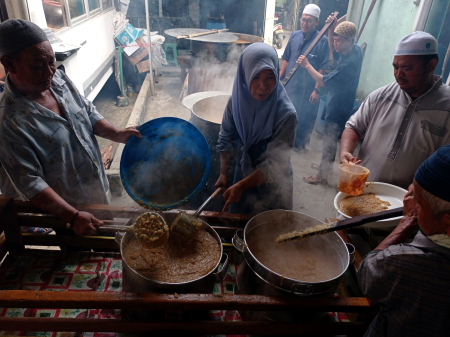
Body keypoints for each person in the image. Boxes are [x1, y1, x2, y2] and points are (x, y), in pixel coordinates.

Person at [0, 19, 141, 236]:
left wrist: (117, 134)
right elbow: (30, 182)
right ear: (10, 64)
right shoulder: (9, 122)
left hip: (97, 192)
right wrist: (72, 216)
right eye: (38, 65)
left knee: (109, 248)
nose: (49, 72)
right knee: (79, 263)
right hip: (66, 213)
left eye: (51, 62)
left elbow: (87, 111)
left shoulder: (58, 79)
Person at [358, 144, 450, 337]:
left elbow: (367, 273)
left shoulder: (407, 263)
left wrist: (406, 223)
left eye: (419, 204)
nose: (412, 204)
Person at [340, 31, 450, 189]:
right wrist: (345, 151)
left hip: (408, 204)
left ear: (431, 65)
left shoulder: (446, 108)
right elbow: (354, 127)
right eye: (395, 67)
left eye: (407, 68)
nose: (398, 74)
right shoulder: (381, 96)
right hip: (361, 189)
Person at [215, 43, 297, 215]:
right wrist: (224, 174)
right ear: (245, 75)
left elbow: (276, 165)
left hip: (274, 183)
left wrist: (240, 185)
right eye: (255, 77)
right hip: (243, 174)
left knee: (269, 232)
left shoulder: (286, 115)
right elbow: (225, 138)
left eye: (270, 76)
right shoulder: (235, 102)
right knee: (238, 229)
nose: (263, 86)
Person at [297, 18, 362, 185]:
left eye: (338, 40)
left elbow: (323, 80)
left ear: (349, 40)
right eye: (333, 39)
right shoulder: (354, 49)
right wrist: (332, 27)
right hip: (338, 100)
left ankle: (322, 175)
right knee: (329, 139)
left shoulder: (349, 63)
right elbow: (335, 41)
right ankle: (323, 167)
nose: (334, 44)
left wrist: (307, 65)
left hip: (339, 106)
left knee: (329, 139)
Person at [280, 4, 329, 152]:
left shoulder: (323, 41)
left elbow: (322, 67)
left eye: (309, 21)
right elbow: (286, 59)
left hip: (308, 88)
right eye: (303, 19)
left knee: (305, 116)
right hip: (290, 85)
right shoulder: (295, 35)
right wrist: (279, 79)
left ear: (317, 22)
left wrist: (316, 90)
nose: (304, 23)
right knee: (286, 114)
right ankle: (283, 141)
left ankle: (300, 146)